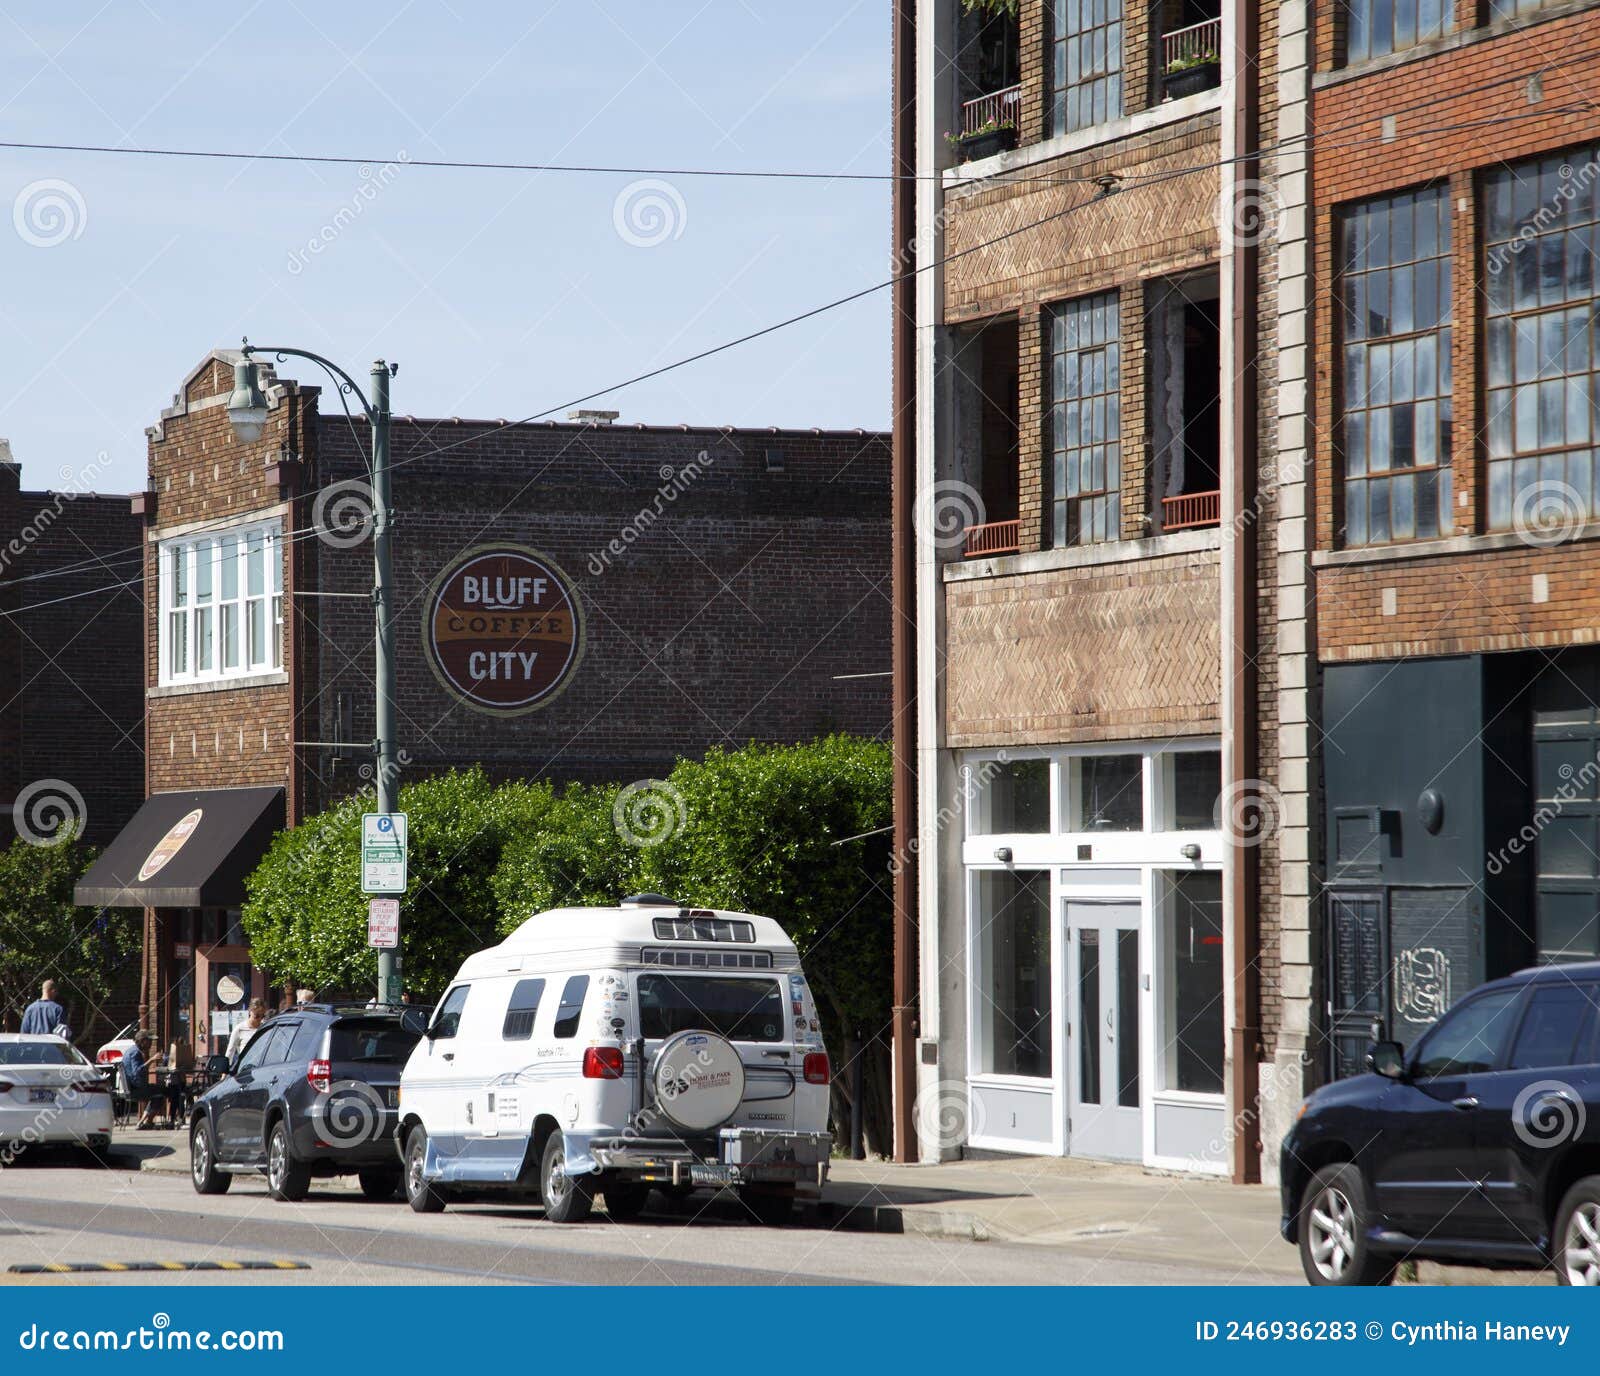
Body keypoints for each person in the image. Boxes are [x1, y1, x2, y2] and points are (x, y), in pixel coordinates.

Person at [123, 1032, 156, 1129]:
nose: (151, 1044)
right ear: (142, 1041)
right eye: (149, 1041)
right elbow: (137, 1071)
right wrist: (152, 1060)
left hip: (132, 1088)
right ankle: (145, 1122)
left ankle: (144, 1121)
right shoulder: (135, 1053)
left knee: (157, 1090)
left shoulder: (130, 1050)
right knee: (161, 1093)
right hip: (135, 1090)